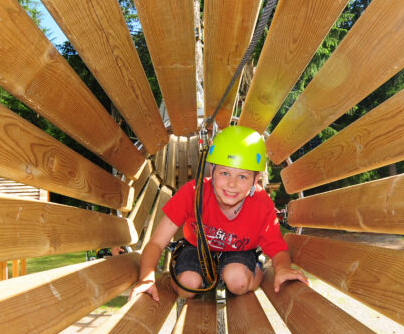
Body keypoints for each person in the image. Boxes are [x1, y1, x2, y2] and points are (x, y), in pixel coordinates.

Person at [130, 125, 308, 301]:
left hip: (240, 253)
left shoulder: (261, 203)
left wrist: (282, 269)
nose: (232, 184)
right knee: (187, 285)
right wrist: (146, 278)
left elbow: (278, 249)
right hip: (196, 249)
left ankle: (254, 269)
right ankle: (201, 276)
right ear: (212, 170)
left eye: (243, 176)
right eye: (224, 173)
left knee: (238, 281)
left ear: (256, 180)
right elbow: (156, 242)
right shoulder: (193, 193)